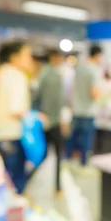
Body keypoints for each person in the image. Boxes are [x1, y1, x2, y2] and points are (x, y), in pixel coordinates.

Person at [0, 41, 33, 194]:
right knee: (14, 186)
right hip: (10, 135)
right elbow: (16, 109)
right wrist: (35, 116)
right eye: (27, 55)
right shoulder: (18, 76)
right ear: (14, 57)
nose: (31, 60)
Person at [65, 45, 102, 167]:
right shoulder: (94, 70)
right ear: (98, 55)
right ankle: (83, 165)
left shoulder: (79, 68)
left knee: (72, 139)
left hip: (76, 110)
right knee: (86, 142)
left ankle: (67, 162)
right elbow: (94, 93)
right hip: (87, 112)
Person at [37, 49, 66, 195]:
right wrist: (62, 119)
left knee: (44, 155)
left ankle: (31, 182)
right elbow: (58, 101)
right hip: (52, 121)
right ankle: (57, 187)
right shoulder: (54, 76)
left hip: (44, 120)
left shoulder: (43, 74)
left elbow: (37, 97)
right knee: (56, 155)